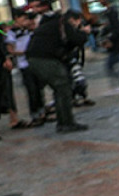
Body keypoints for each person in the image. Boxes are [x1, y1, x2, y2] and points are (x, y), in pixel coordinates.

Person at [26, 0, 89, 133]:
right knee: (63, 86)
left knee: (60, 88)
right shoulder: (62, 23)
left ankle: (64, 121)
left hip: (35, 58)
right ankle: (66, 123)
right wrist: (84, 33)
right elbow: (76, 39)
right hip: (43, 58)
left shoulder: (51, 22)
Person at [5, 10, 45, 126]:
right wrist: (23, 53)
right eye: (24, 19)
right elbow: (10, 49)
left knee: (39, 88)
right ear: (16, 19)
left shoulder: (29, 30)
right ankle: (35, 114)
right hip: (24, 64)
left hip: (34, 62)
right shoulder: (12, 33)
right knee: (31, 89)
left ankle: (42, 112)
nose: (26, 22)